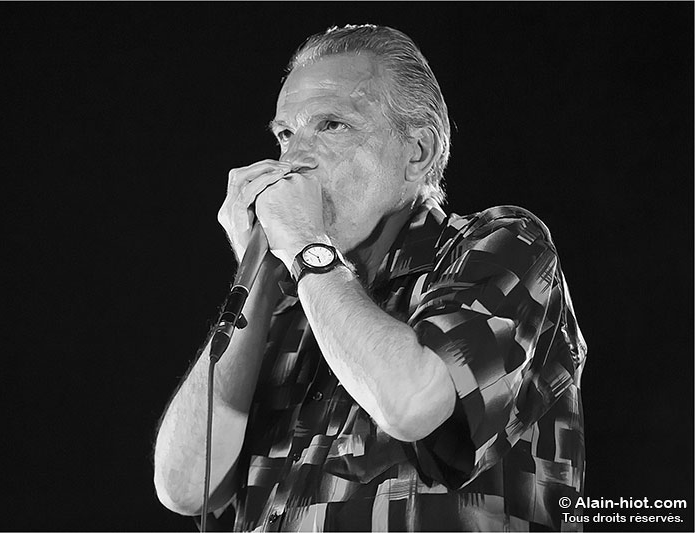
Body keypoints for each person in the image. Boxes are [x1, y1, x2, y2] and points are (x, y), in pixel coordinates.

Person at [154, 24, 587, 532]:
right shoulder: (291, 305)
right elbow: (185, 487)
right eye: (286, 134)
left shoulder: (504, 245)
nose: (293, 160)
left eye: (331, 125)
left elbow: (411, 404)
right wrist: (264, 279)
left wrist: (305, 245)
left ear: (417, 152)